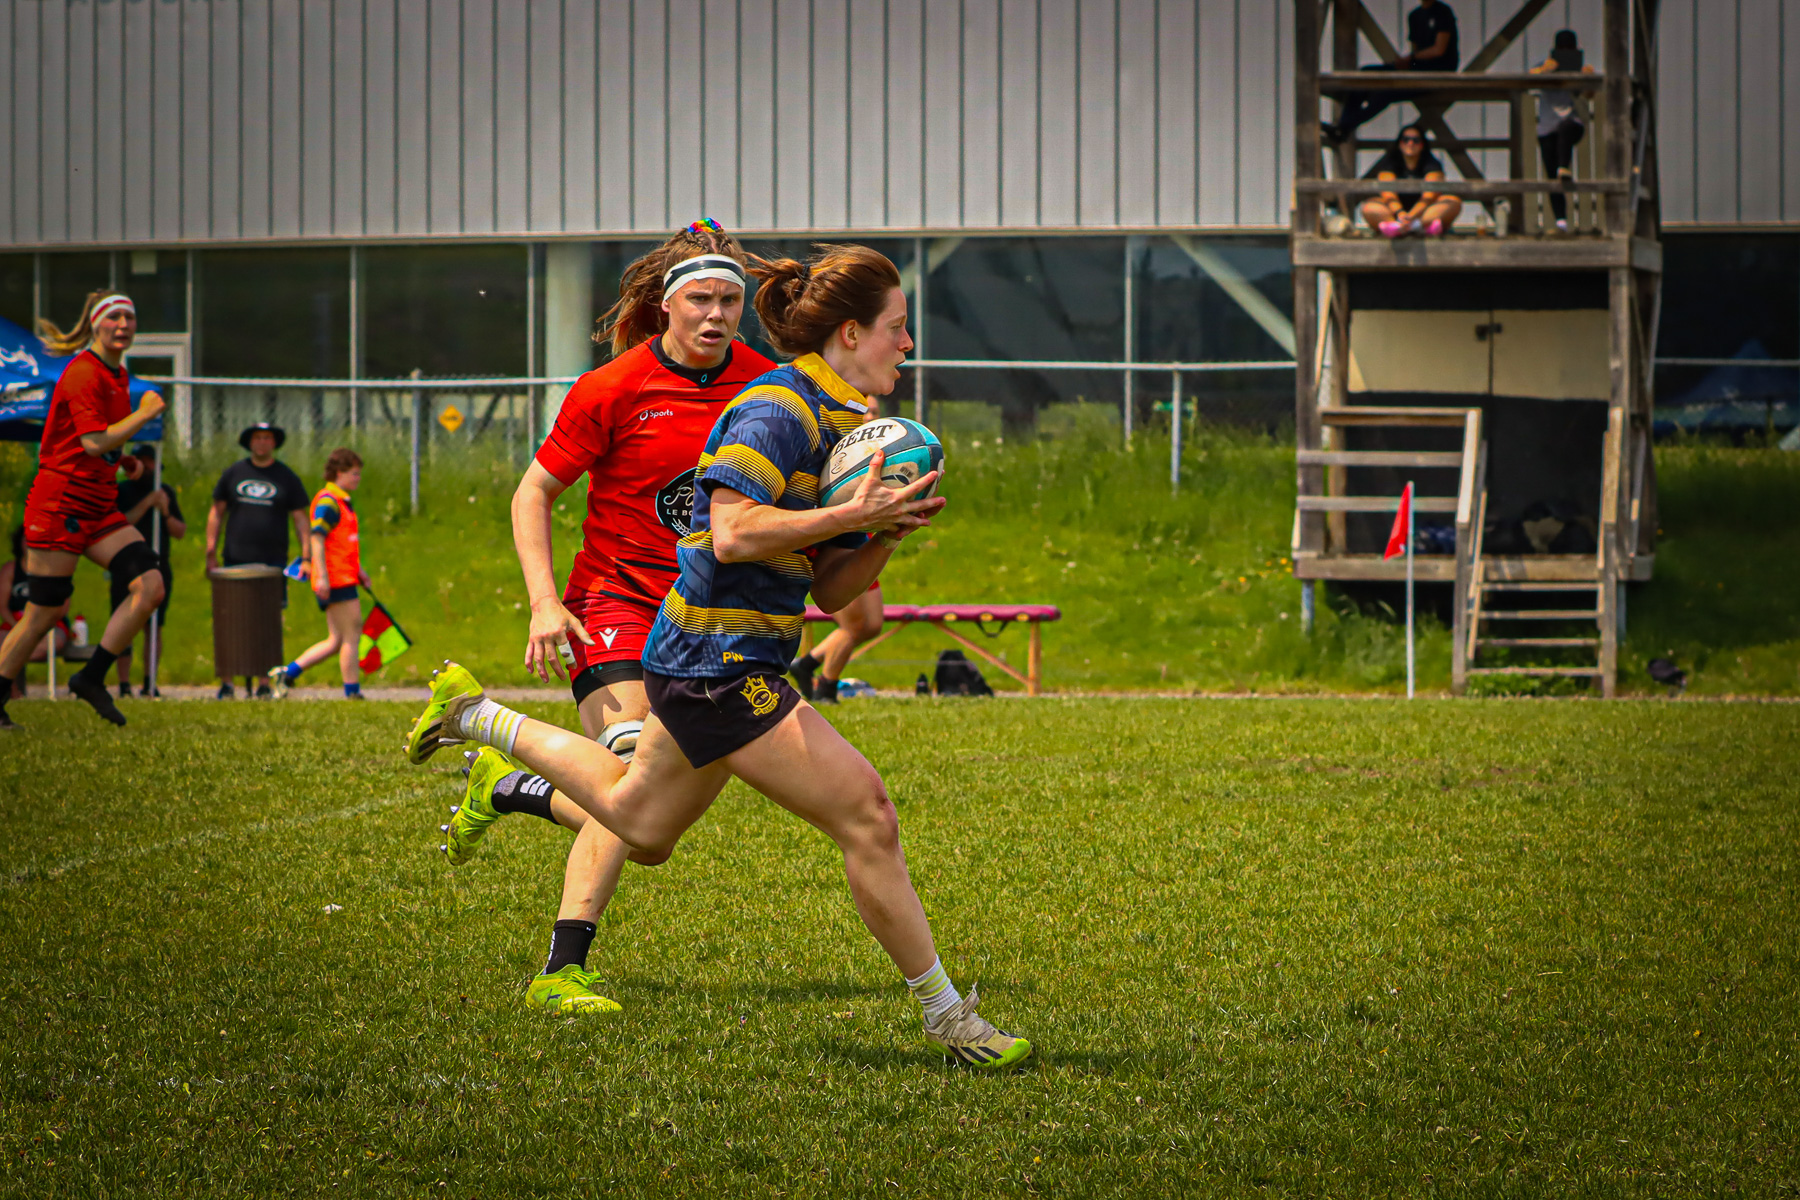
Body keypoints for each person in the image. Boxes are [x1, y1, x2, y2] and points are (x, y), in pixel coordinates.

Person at [403, 244, 1034, 1069]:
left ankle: (475, 716)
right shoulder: (777, 409)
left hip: (722, 651)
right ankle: (952, 1021)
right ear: (851, 332)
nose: (906, 345)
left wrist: (882, 530)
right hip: (715, 657)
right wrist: (846, 518)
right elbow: (734, 532)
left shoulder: (845, 422)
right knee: (867, 813)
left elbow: (836, 591)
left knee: (640, 823)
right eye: (896, 328)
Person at [449, 219, 775, 1015]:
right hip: (618, 606)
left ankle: (509, 788)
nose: (716, 313)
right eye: (700, 296)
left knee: (653, 831)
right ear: (666, 306)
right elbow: (533, 492)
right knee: (628, 775)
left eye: (730, 299)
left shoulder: (770, 385)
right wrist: (544, 602)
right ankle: (562, 969)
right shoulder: (612, 388)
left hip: (715, 622)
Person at [0, 291, 168, 730]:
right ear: (95, 324)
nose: (123, 324)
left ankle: (91, 678)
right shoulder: (82, 373)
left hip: (97, 503)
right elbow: (93, 441)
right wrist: (146, 410)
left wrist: (125, 460)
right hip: (60, 503)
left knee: (150, 584)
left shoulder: (116, 375)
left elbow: (97, 445)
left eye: (129, 317)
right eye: (114, 316)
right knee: (44, 612)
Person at [206, 422, 310, 698]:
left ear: (274, 443)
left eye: (267, 438)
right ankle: (228, 683)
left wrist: (307, 555)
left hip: (272, 563)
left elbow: (301, 519)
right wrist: (210, 550)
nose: (262, 443)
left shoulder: (286, 477)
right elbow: (217, 512)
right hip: (234, 559)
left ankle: (266, 683)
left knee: (268, 623)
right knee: (230, 620)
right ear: (249, 442)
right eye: (257, 438)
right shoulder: (234, 473)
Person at [269, 447, 369, 699]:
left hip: (344, 574)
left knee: (336, 640)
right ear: (339, 473)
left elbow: (343, 543)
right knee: (351, 634)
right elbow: (317, 538)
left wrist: (360, 571)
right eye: (354, 474)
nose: (358, 478)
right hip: (336, 578)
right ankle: (352, 693)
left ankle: (287, 674)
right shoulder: (328, 502)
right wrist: (322, 575)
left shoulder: (342, 501)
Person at [1321, 0, 1459, 145]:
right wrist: (1405, 63)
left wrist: (1411, 59)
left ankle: (1344, 128)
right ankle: (1344, 124)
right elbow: (1415, 52)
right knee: (1364, 75)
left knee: (1384, 93)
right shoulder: (1415, 15)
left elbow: (1439, 49)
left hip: (1438, 70)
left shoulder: (1443, 11)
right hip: (1417, 67)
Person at [109, 443, 186, 697]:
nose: (145, 467)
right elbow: (120, 523)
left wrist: (164, 510)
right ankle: (123, 683)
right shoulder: (121, 491)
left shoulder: (165, 491)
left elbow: (180, 531)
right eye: (140, 461)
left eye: (149, 462)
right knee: (124, 623)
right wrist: (147, 503)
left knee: (154, 625)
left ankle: (149, 681)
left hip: (158, 564)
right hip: (126, 565)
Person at [1531, 30, 1595, 233]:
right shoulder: (1545, 66)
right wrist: (1545, 71)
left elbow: (1590, 95)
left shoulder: (1579, 70)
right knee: (1551, 176)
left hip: (1571, 123)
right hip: (1547, 127)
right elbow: (1529, 78)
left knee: (1566, 128)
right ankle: (1561, 222)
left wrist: (1587, 79)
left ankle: (1563, 167)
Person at [787, 582, 884, 705]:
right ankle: (825, 690)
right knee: (853, 627)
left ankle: (805, 665)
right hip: (844, 566)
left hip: (868, 565)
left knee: (872, 626)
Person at [0, 526, 69, 696]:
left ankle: (9, 683)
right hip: (15, 623)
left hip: (48, 624)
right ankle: (11, 689)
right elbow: (2, 606)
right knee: (6, 641)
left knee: (51, 642)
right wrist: (19, 627)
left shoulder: (55, 569)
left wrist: (38, 627)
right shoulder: (11, 570)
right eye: (26, 539)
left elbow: (63, 606)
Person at [1360, 125, 1462, 237]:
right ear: (1400, 143)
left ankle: (1410, 226)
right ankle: (1408, 226)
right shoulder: (1389, 162)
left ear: (1422, 144)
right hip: (1395, 212)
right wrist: (1400, 213)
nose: (1410, 143)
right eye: (1406, 139)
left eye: (1416, 140)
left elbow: (1430, 196)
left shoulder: (1432, 163)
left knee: (1453, 202)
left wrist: (1412, 216)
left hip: (1423, 212)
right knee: (1369, 207)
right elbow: (1387, 192)